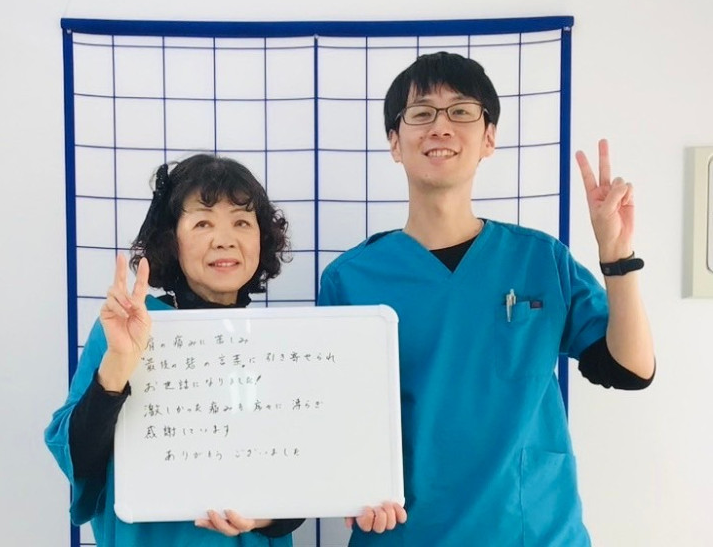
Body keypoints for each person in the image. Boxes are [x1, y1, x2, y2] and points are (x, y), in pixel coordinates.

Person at [317, 52, 655, 546]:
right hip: (407, 533)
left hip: (532, 532)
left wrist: (617, 257)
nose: (440, 127)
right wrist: (351, 490)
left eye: (461, 111)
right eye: (421, 113)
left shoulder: (540, 259)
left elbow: (630, 370)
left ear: (489, 138)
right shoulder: (351, 279)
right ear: (394, 142)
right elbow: (336, 417)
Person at [45, 153, 304, 546]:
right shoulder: (131, 324)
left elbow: (300, 474)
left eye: (241, 222)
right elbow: (78, 458)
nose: (225, 239)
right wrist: (119, 362)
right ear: (171, 240)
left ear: (261, 238)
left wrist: (264, 517)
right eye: (203, 223)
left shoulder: (282, 341)